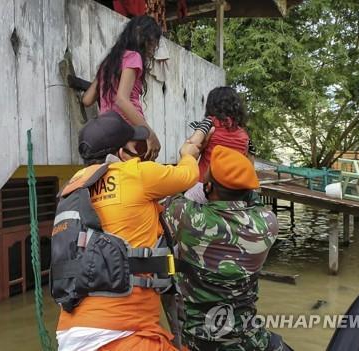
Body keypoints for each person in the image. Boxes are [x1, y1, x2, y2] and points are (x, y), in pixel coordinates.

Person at [55, 111, 202, 351]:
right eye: (137, 145)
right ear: (122, 153)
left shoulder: (73, 187)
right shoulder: (136, 173)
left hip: (72, 332)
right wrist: (187, 155)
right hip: (118, 335)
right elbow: (189, 175)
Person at [164, 145, 292, 351]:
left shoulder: (186, 217)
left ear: (208, 188)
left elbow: (173, 191)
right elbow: (251, 199)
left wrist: (187, 157)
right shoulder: (268, 223)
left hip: (197, 339)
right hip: (247, 336)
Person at [82, 16, 162, 161]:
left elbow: (87, 100)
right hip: (130, 130)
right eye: (154, 41)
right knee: (141, 176)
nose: (154, 47)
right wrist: (150, 134)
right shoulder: (134, 57)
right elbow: (122, 100)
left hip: (107, 131)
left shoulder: (107, 63)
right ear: (145, 37)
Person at [188, 86, 251, 182]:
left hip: (205, 186)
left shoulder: (210, 124)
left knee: (182, 195)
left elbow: (192, 145)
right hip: (230, 187)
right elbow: (249, 162)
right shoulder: (243, 134)